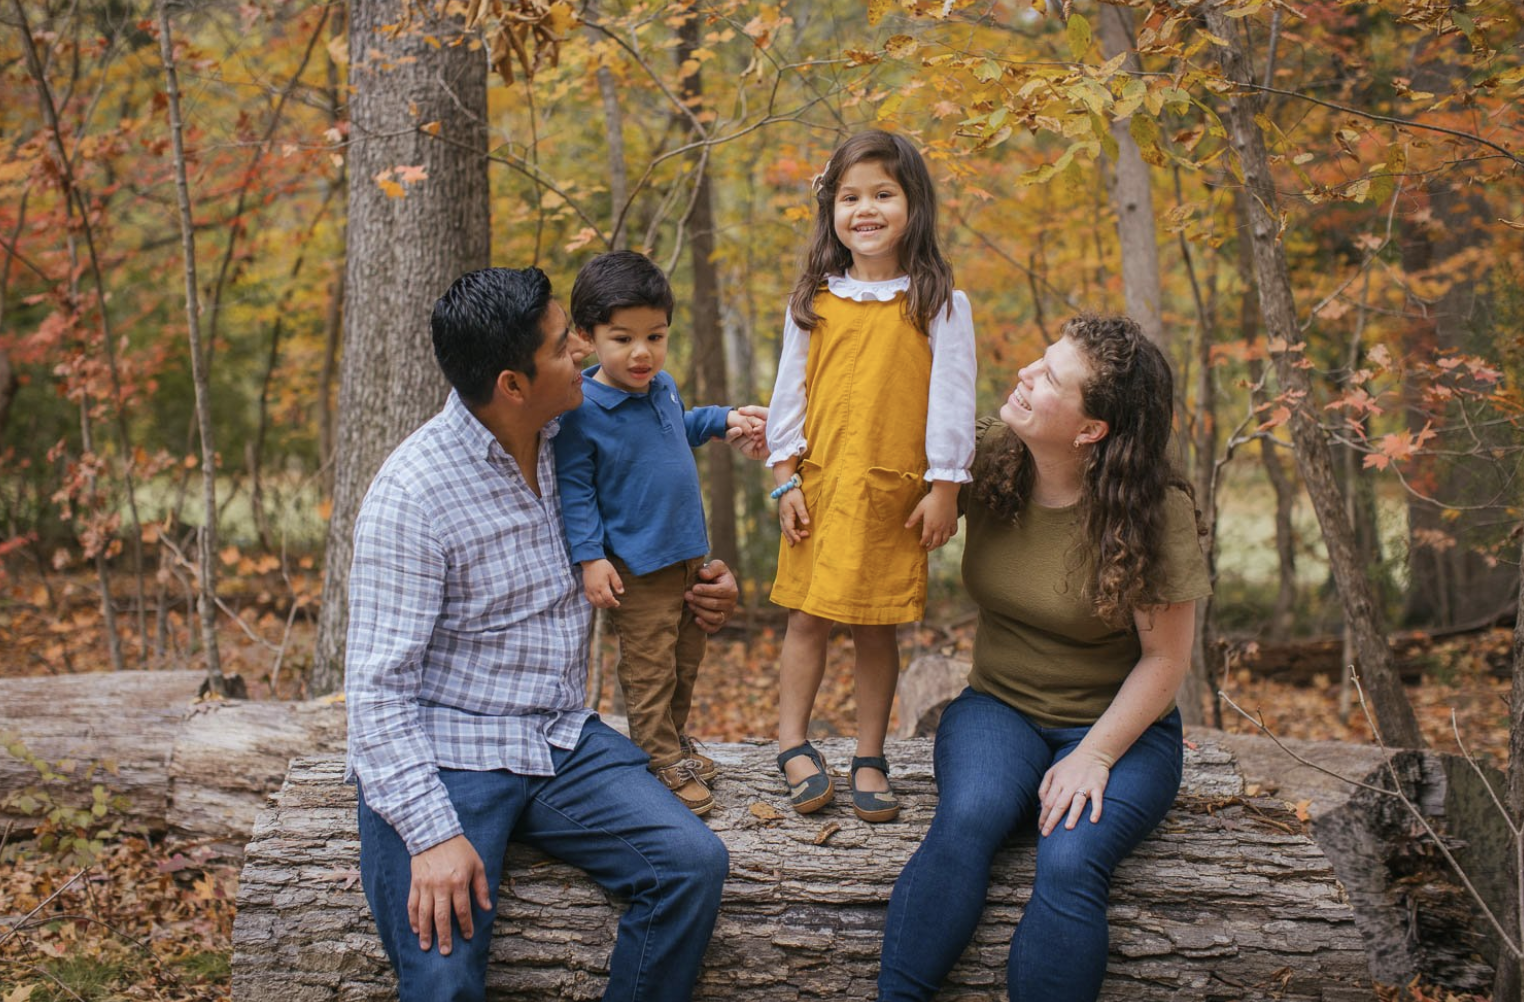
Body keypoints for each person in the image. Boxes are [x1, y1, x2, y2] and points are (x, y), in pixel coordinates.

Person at [344, 266, 738, 1002]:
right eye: (565, 345)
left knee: (690, 864)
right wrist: (430, 834)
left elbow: (651, 517)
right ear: (512, 384)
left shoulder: (574, 438)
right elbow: (376, 696)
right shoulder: (414, 496)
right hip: (449, 752)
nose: (585, 351)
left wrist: (701, 583)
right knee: (442, 980)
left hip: (559, 737)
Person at [876, 315, 1211, 1002]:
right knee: (970, 817)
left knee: (1070, 858)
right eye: (1041, 359)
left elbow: (1165, 662)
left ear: (1092, 430)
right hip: (1000, 709)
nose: (1026, 372)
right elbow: (883, 450)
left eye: (1052, 376)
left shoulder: (1154, 511)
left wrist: (1093, 755)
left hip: (1123, 732)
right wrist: (786, 451)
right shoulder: (991, 455)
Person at [766, 129, 977, 823]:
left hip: (893, 491)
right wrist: (784, 477)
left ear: (914, 205)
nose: (867, 209)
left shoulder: (938, 300)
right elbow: (788, 394)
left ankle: (869, 753)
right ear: (831, 210)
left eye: (884, 194)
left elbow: (952, 399)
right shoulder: (813, 300)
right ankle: (792, 742)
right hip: (820, 487)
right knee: (807, 616)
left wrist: (946, 486)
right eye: (851, 196)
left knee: (878, 625)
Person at [553, 250, 767, 816]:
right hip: (637, 566)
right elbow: (574, 490)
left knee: (685, 658)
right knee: (649, 665)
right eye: (622, 338)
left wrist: (721, 420)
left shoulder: (662, 387)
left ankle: (673, 741)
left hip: (687, 558)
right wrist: (590, 558)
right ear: (588, 337)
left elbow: (683, 425)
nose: (642, 352)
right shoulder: (581, 407)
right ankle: (656, 756)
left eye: (656, 336)